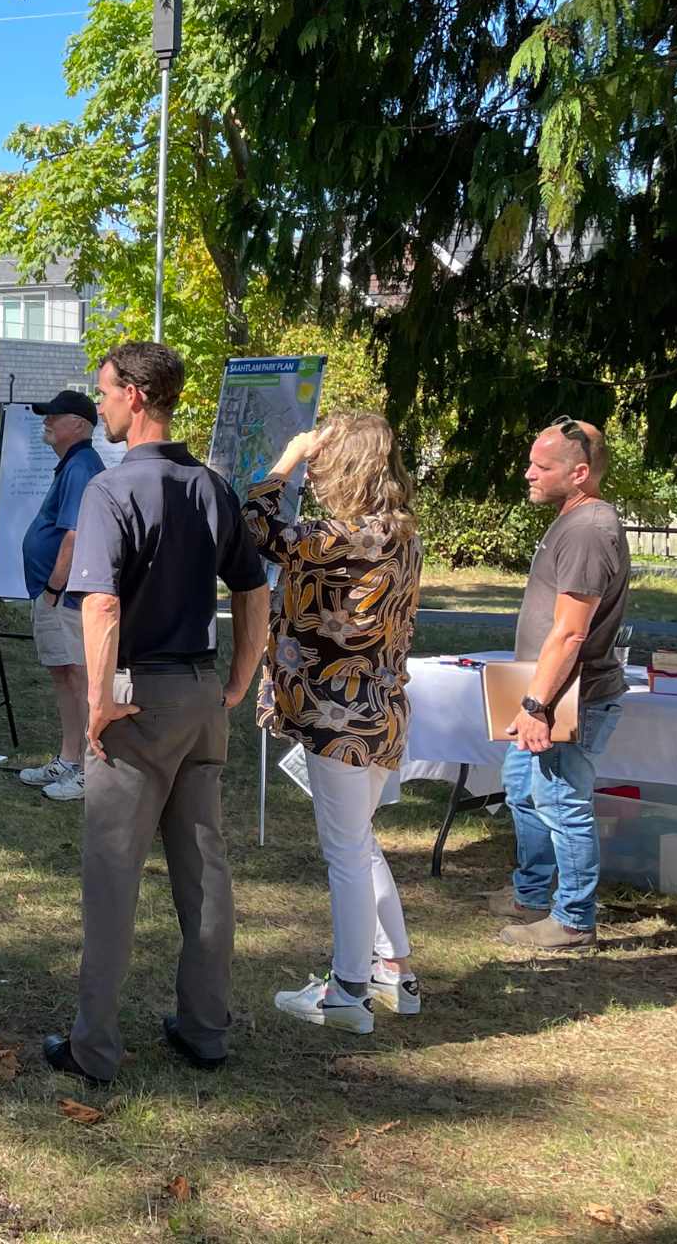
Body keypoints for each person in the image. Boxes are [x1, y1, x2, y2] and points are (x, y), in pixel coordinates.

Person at [44, 342, 270, 1086]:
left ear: (136, 395)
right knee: (204, 870)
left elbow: (101, 600)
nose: (98, 402)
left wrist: (102, 698)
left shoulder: (110, 492)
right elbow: (253, 588)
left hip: (137, 701)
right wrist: (238, 679)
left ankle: (95, 1047)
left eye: (105, 391)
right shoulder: (214, 486)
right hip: (201, 697)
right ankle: (206, 1028)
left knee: (111, 877)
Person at [243, 415, 425, 1033]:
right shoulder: (399, 533)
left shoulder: (340, 537)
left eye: (323, 458)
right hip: (381, 711)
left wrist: (285, 460)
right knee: (360, 840)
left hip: (336, 716)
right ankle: (394, 970)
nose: (315, 469)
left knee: (345, 852)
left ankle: (347, 992)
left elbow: (256, 526)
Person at [489, 417, 633, 951]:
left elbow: (571, 633)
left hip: (569, 697)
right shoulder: (570, 519)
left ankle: (573, 918)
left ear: (578, 474)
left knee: (560, 802)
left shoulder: (591, 530)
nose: (528, 473)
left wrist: (535, 704)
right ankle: (531, 895)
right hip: (544, 690)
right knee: (524, 793)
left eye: (541, 466)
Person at [15, 390, 108, 803]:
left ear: (81, 426)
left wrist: (54, 588)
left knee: (79, 677)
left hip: (65, 596)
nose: (47, 421)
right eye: (46, 414)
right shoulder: (72, 464)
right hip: (56, 595)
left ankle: (91, 768)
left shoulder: (82, 465)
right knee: (63, 676)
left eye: (56, 415)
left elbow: (74, 534)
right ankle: (70, 759)